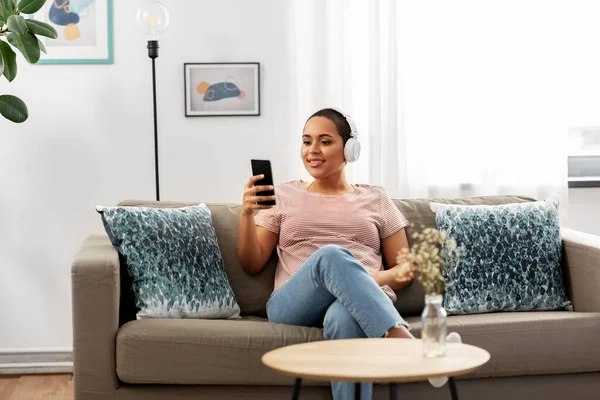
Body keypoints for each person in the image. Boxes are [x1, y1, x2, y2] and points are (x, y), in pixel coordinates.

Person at [238, 108, 457, 399]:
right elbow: (252, 264)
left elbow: (404, 272)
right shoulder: (285, 195)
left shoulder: (376, 198)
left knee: (345, 317)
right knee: (331, 255)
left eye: (325, 141)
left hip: (358, 305)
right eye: (306, 141)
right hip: (293, 305)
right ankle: (407, 345)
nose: (313, 150)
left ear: (349, 150)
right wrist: (246, 214)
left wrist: (368, 281)